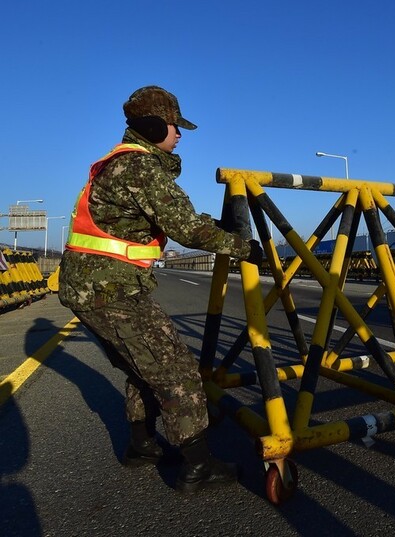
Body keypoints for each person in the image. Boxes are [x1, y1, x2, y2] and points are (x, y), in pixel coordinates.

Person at [58, 85, 263, 493]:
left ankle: (142, 445)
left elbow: (172, 216)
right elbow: (186, 228)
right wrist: (244, 247)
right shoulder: (142, 167)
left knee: (143, 364)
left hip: (93, 286)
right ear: (153, 127)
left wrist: (215, 227)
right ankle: (197, 466)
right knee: (175, 367)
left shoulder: (117, 163)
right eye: (175, 127)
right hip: (108, 289)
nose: (180, 135)